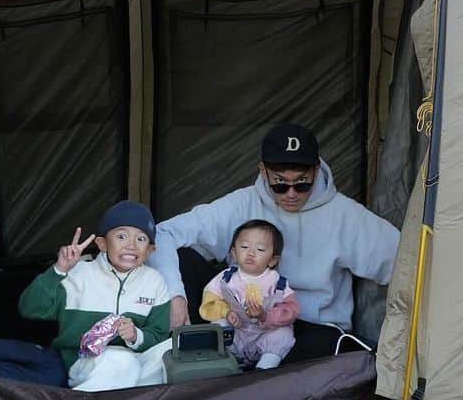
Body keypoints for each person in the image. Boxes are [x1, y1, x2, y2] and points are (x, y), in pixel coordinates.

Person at [148, 123, 400, 362]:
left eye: (302, 183)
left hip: (309, 329)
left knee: (334, 352)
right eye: (280, 183)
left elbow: (409, 260)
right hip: (238, 319)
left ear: (316, 170)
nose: (291, 193)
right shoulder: (242, 203)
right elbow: (162, 234)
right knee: (183, 259)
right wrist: (175, 296)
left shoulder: (347, 215)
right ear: (263, 171)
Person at [19, 200, 172, 392]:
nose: (131, 245)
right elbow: (30, 309)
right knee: (123, 364)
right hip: (84, 361)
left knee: (175, 350)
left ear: (150, 250)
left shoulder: (154, 281)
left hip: (134, 359)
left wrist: (136, 336)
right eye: (122, 236)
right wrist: (59, 270)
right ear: (102, 244)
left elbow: (158, 334)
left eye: (141, 239)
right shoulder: (77, 273)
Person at [200, 220, 299, 370]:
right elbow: (209, 301)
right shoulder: (226, 278)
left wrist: (265, 315)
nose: (251, 253)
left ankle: (264, 369)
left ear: (273, 260)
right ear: (234, 253)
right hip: (236, 333)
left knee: (283, 334)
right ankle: (225, 365)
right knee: (218, 327)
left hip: (263, 336)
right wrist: (226, 313)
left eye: (260, 249)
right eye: (244, 247)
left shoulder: (277, 282)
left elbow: (291, 310)